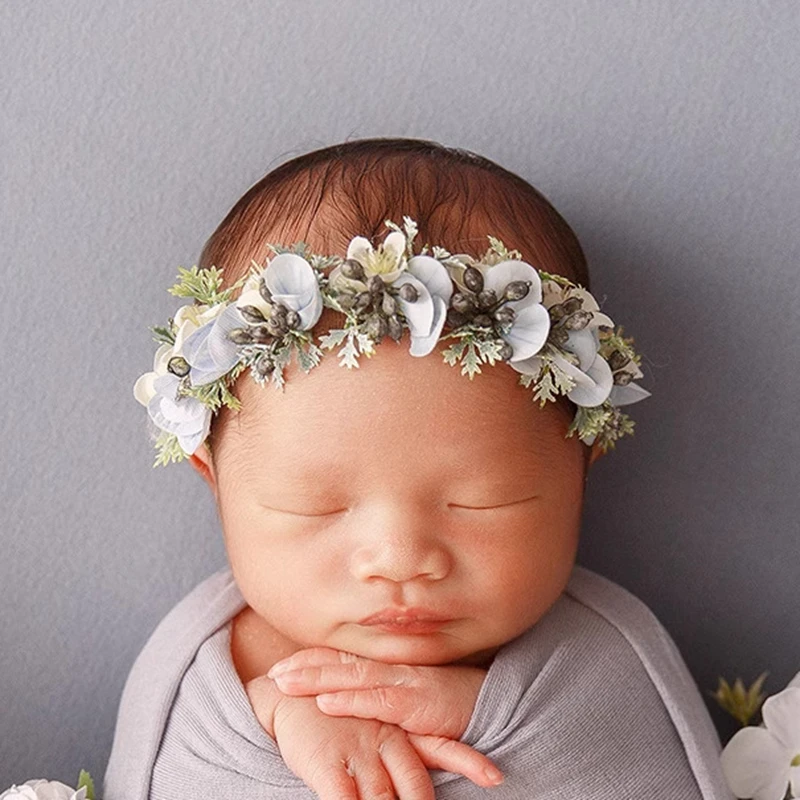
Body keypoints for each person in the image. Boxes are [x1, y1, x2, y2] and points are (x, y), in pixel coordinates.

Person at [105, 137, 734, 799]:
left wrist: (486, 717)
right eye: (313, 504)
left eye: (483, 500)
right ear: (214, 478)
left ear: (584, 461)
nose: (401, 560)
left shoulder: (605, 669)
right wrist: (278, 710)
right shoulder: (199, 674)